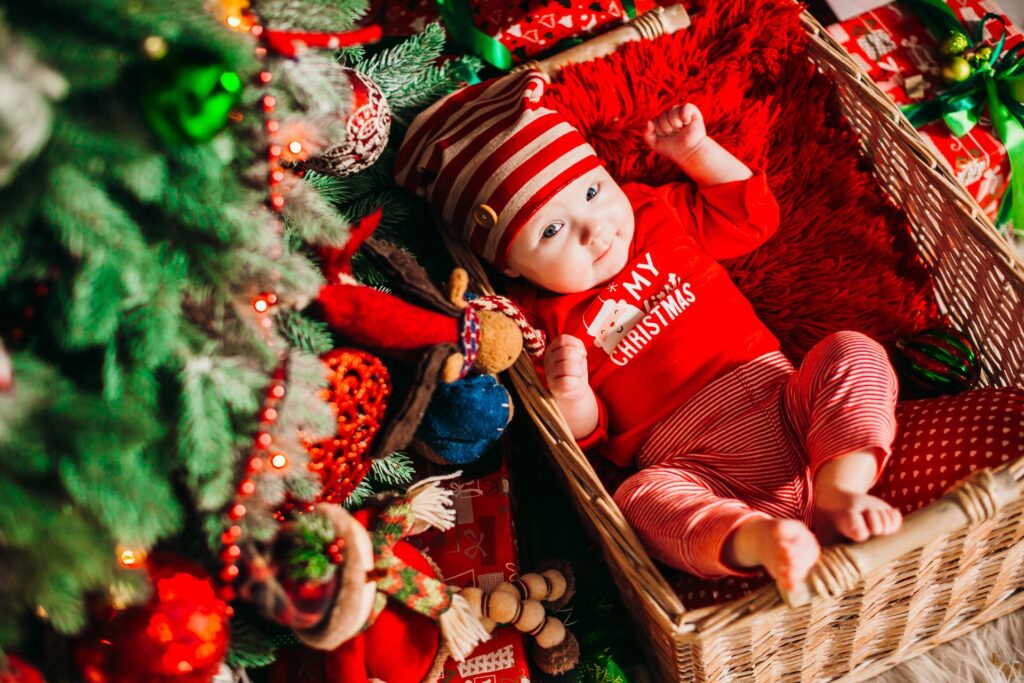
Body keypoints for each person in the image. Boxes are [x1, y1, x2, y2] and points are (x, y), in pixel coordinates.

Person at [394, 70, 901, 590]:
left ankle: (842, 490)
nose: (595, 230)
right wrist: (572, 395)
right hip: (696, 465)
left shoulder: (650, 213)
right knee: (639, 498)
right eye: (551, 230)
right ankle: (758, 539)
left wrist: (697, 152)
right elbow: (589, 435)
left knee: (850, 350)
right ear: (512, 267)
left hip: (788, 405)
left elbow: (751, 219)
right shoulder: (541, 317)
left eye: (592, 191)